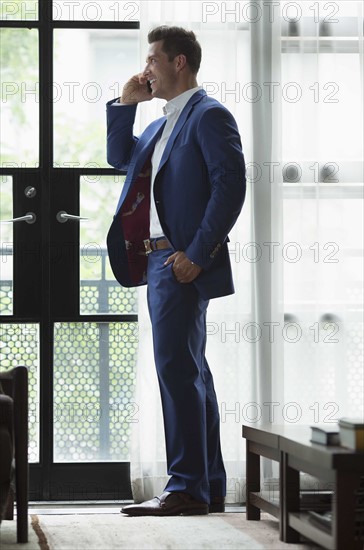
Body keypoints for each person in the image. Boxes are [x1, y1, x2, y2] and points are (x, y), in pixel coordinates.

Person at [107, 26, 246, 516]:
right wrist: (125, 105)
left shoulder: (209, 116)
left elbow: (230, 187)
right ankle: (202, 485)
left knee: (176, 369)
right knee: (190, 371)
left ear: (179, 62)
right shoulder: (162, 123)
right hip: (159, 259)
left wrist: (197, 254)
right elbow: (119, 158)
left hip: (180, 260)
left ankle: (186, 486)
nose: (145, 69)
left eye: (152, 60)